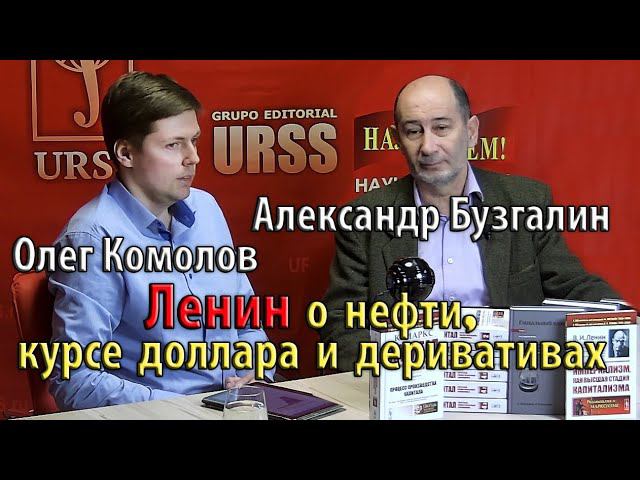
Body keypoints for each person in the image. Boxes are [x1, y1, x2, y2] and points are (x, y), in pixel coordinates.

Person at [320, 74, 619, 371]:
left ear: (471, 132)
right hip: (409, 381)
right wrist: (392, 375)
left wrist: (624, 323)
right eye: (413, 131)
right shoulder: (363, 218)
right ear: (398, 140)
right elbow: (341, 324)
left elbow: (573, 286)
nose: (428, 146)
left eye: (441, 128)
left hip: (505, 376)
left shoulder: (526, 202)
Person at [48, 71, 271, 410]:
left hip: (237, 407)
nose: (193, 157)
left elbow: (245, 322)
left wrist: (255, 369)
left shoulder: (207, 208)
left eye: (194, 141)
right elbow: (74, 379)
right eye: (173, 145)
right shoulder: (92, 239)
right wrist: (185, 407)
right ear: (126, 153)